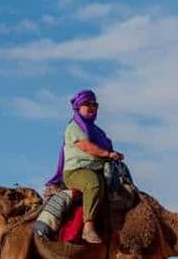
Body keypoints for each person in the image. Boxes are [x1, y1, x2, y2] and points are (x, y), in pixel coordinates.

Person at [46, 90, 124, 244]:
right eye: (87, 104)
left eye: (95, 104)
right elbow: (86, 146)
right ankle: (88, 227)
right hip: (76, 171)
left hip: (99, 168)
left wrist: (114, 156)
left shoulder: (98, 131)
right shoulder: (74, 127)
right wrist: (108, 154)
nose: (92, 107)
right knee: (93, 183)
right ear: (78, 107)